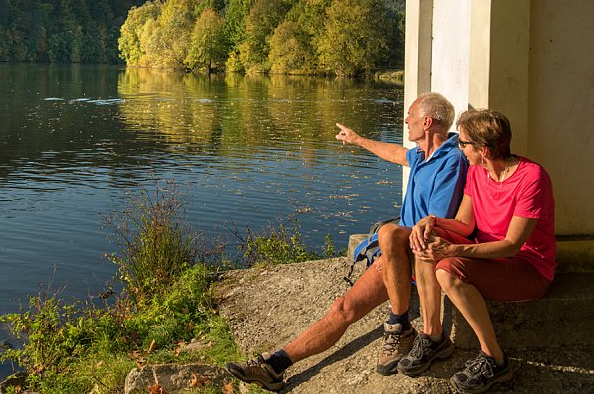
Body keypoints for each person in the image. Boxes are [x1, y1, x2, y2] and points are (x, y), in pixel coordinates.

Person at [226, 92, 468, 391]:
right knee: (343, 307)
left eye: (410, 115)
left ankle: (399, 325)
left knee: (389, 232)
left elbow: (435, 223)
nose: (406, 120)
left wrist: (394, 245)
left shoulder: (451, 161)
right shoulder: (421, 155)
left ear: (427, 122)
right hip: (397, 252)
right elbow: (394, 153)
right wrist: (357, 139)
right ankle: (274, 366)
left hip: (420, 253)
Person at [396, 109, 555, 393]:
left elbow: (512, 245)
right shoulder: (477, 171)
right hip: (487, 255)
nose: (460, 148)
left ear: (484, 150)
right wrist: (431, 221)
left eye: (463, 143)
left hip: (528, 267)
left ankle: (495, 359)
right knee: (426, 238)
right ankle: (432, 337)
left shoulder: (532, 177)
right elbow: (464, 224)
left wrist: (453, 250)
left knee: (447, 270)